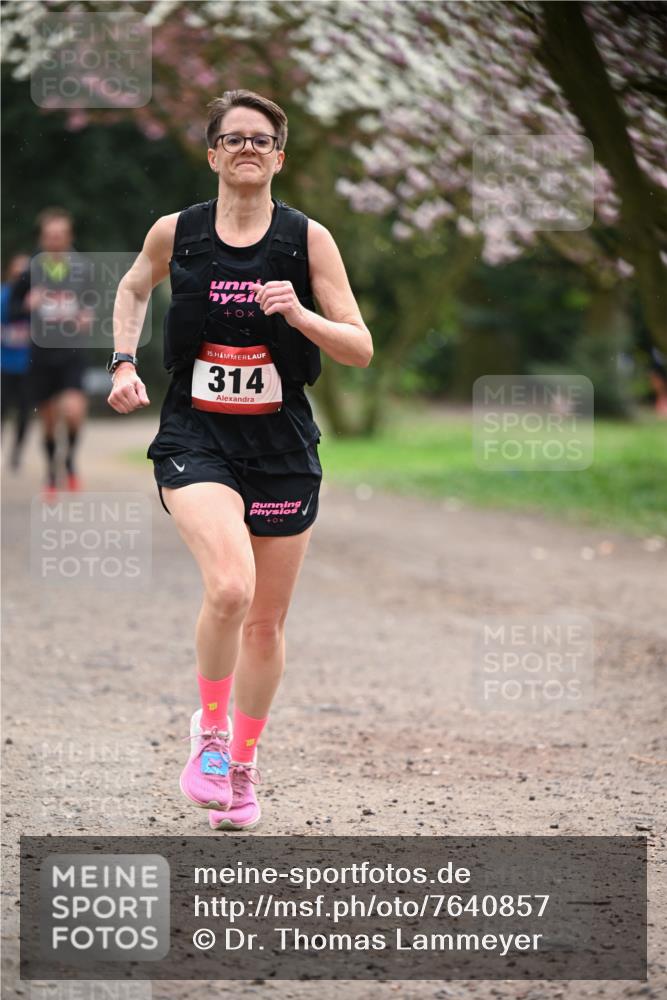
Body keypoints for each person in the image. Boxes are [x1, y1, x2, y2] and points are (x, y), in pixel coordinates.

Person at [107, 89, 372, 831]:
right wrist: (123, 362)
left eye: (262, 139)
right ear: (213, 153)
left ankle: (245, 769)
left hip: (282, 446)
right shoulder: (178, 232)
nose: (248, 148)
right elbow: (132, 287)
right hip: (197, 437)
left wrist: (297, 313)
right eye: (234, 139)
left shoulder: (306, 240)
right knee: (230, 588)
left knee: (264, 623)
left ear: (279, 157)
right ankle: (211, 739)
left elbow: (358, 346)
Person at [10, 207, 93, 495]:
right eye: (50, 236)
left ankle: (69, 461)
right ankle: (50, 474)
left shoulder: (82, 269)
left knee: (73, 412)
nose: (55, 241)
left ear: (69, 237)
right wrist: (25, 305)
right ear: (43, 238)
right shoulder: (30, 269)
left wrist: (87, 315)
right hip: (40, 355)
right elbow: (10, 308)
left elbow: (94, 302)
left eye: (61, 235)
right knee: (47, 421)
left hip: (71, 352)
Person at [1, 253, 32, 470]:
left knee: (24, 412)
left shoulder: (38, 297)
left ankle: (17, 452)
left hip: (28, 366)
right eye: (17, 270)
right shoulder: (3, 295)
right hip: (4, 364)